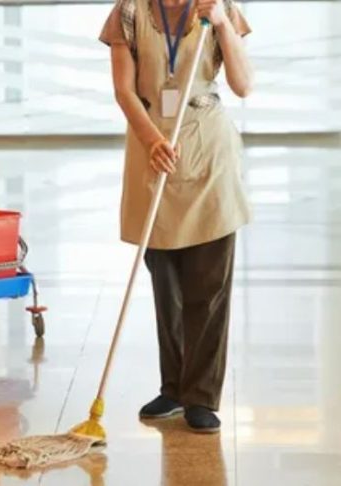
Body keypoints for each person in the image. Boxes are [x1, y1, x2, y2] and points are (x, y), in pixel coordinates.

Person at [98, 0, 254, 433]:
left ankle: (201, 396)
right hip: (153, 149)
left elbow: (243, 85)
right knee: (165, 282)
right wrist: (151, 140)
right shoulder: (128, 12)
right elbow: (124, 90)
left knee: (208, 284)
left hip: (207, 150)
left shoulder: (221, 8)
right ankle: (175, 387)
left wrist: (221, 24)